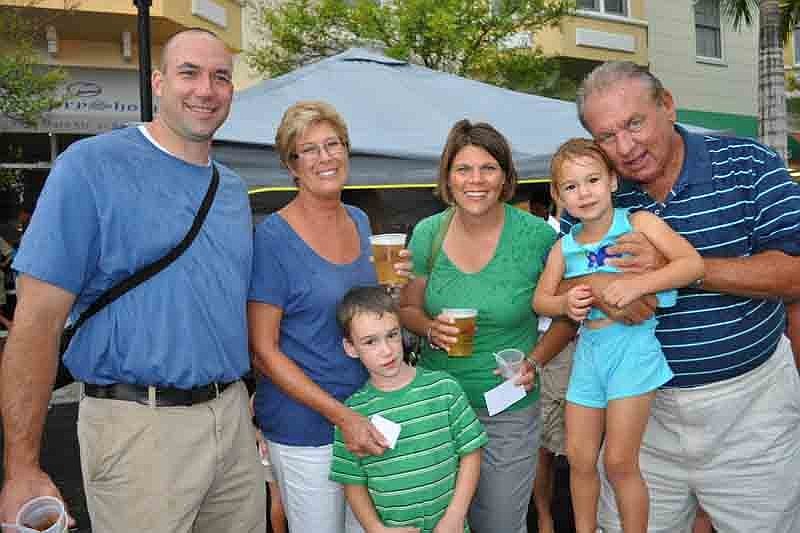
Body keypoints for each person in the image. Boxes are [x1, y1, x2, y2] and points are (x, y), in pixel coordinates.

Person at [0, 28, 266, 533]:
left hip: (231, 422)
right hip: (139, 427)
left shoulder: (231, 189)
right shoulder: (90, 167)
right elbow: (35, 324)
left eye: (220, 77)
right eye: (189, 72)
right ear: (158, 82)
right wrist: (21, 468)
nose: (205, 89)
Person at [570, 60, 800, 532]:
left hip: (750, 410)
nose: (627, 148)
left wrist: (674, 272)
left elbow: (795, 273)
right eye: (608, 137)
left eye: (635, 123)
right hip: (641, 418)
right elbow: (572, 277)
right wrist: (605, 293)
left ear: (668, 106)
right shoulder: (598, 193)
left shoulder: (749, 164)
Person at [399, 119, 575, 533]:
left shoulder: (537, 237)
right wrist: (428, 329)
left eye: (488, 168)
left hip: (507, 409)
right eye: (463, 169)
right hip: (437, 407)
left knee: (498, 523)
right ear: (448, 177)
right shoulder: (429, 232)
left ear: (506, 177)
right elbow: (407, 306)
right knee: (440, 522)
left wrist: (534, 361)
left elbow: (569, 313)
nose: (475, 180)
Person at [248, 101, 410, 533]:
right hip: (306, 427)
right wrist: (343, 417)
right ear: (291, 165)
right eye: (309, 150)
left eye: (333, 144)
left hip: (367, 413)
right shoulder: (273, 238)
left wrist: (390, 291)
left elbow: (359, 313)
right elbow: (262, 351)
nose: (325, 158)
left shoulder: (358, 220)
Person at [534, 138, 704, 533]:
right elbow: (541, 299)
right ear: (558, 196)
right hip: (589, 353)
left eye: (592, 179)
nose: (584, 192)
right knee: (578, 458)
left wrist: (638, 285)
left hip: (633, 351)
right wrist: (564, 306)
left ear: (612, 180)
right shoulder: (564, 246)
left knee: (619, 462)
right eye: (571, 186)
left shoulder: (639, 223)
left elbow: (691, 264)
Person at [330, 286, 488, 532]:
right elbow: (352, 481)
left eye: (392, 335)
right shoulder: (352, 415)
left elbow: (472, 452)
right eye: (370, 341)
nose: (386, 350)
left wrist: (456, 515)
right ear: (350, 347)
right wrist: (375, 529)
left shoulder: (444, 388)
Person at [527, 188, 576, 533]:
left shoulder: (562, 236)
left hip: (566, 345)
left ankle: (575, 517)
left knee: (577, 448)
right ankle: (545, 518)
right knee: (540, 446)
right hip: (526, 346)